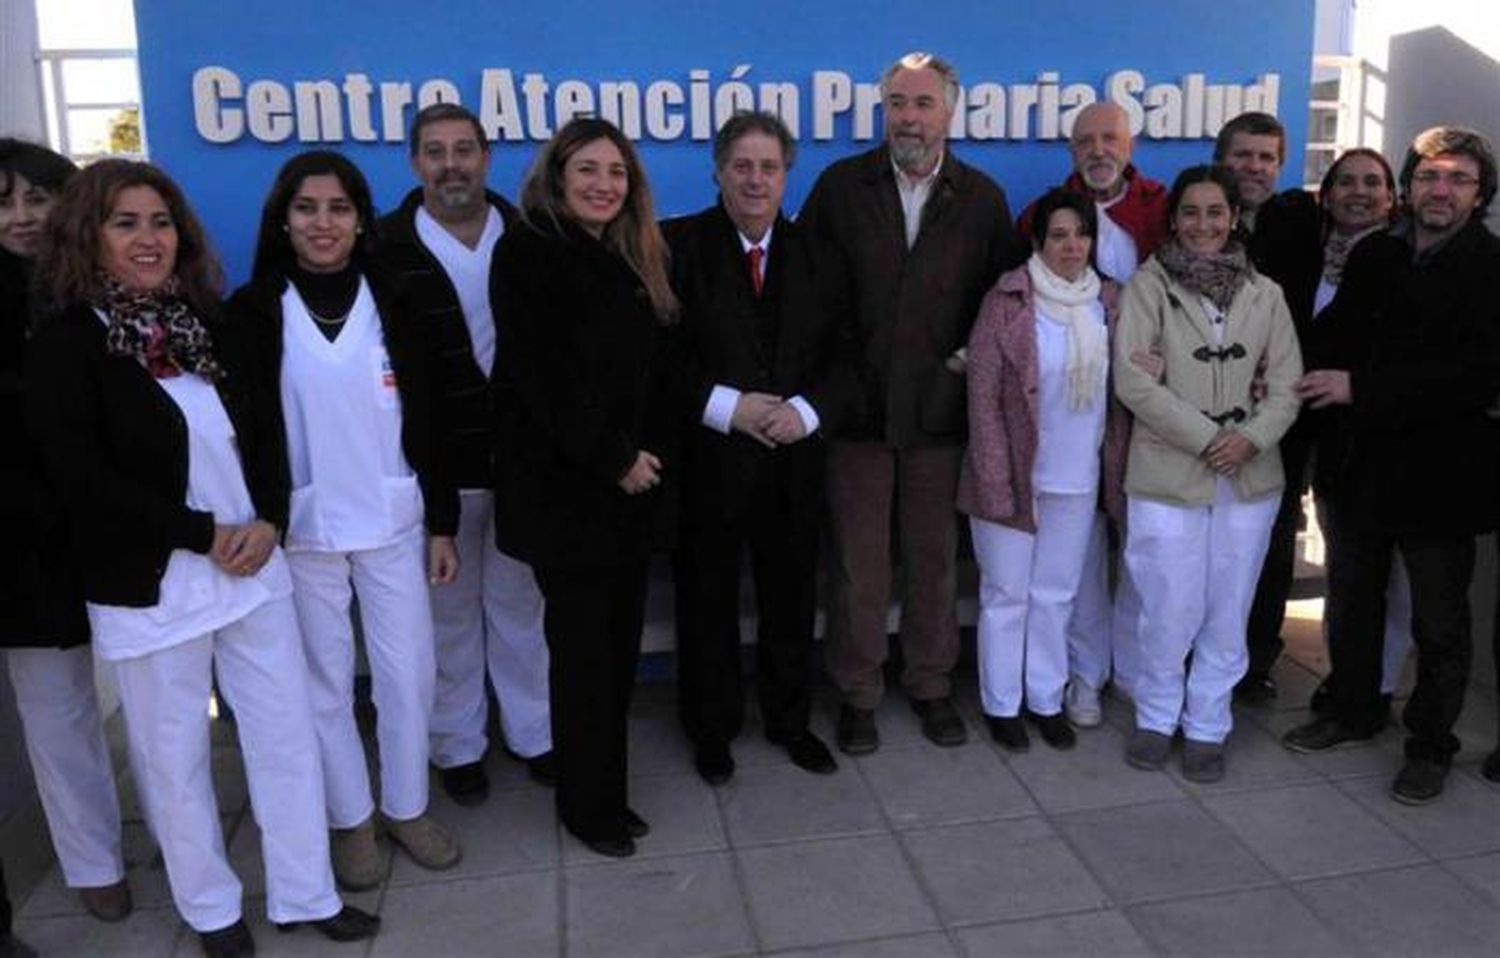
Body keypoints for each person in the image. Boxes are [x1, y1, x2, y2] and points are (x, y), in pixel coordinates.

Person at [28, 159, 377, 957]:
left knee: (286, 736)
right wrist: (200, 536)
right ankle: (213, 909)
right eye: (126, 223)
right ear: (90, 234)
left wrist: (269, 521)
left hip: (252, 570)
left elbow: (264, 439)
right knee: (173, 754)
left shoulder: (206, 322)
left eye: (160, 222)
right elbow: (82, 479)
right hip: (154, 584)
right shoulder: (67, 345)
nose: (149, 239)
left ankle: (305, 891)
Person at [227, 151, 461, 889]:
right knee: (325, 684)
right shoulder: (255, 308)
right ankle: (352, 820)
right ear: (284, 220)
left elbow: (434, 415)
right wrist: (262, 516)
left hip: (394, 517)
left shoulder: (397, 298)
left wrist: (443, 521)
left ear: (361, 219)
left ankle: (407, 806)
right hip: (303, 529)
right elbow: (242, 427)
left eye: (337, 208)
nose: (322, 223)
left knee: (409, 674)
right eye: (306, 209)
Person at [799, 52, 1015, 754]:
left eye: (922, 104)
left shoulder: (981, 197)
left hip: (937, 416)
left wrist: (962, 365)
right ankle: (857, 693)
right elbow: (808, 296)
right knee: (860, 566)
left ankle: (928, 684)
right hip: (857, 415)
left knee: (932, 562)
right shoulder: (839, 187)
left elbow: (998, 301)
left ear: (950, 112)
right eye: (897, 103)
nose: (908, 117)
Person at [1283, 127, 1500, 805]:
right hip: (1358, 468)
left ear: (1480, 193)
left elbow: (1475, 378)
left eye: (1459, 179)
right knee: (1351, 601)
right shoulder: (1377, 254)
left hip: (1442, 478)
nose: (1441, 190)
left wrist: (1361, 388)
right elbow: (1333, 337)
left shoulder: (1492, 267)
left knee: (1439, 622)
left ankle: (1431, 744)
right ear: (1409, 185)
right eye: (1431, 176)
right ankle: (1352, 709)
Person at [491, 117, 679, 858]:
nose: (603, 184)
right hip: (571, 495)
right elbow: (547, 382)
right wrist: (616, 458)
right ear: (558, 175)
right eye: (588, 170)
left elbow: (644, 373)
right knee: (582, 660)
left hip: (626, 495)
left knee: (614, 653)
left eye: (617, 173)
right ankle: (586, 806)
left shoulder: (628, 255)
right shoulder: (529, 252)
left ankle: (608, 790)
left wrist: (644, 457)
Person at [377, 103, 554, 806]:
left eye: (464, 150)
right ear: (415, 162)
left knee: (520, 607)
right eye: (435, 151)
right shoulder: (385, 249)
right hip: (435, 471)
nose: (451, 164)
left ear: (487, 155)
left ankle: (535, 734)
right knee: (446, 617)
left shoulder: (529, 235)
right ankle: (457, 745)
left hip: (518, 464)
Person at [664, 111, 845, 786]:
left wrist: (805, 410)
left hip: (794, 465)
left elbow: (847, 357)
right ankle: (711, 730)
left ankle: (790, 721)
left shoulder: (820, 257)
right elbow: (657, 359)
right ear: (717, 171)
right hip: (708, 465)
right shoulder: (672, 246)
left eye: (768, 166)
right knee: (705, 603)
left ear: (786, 175)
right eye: (742, 164)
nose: (755, 178)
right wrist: (726, 407)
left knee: (792, 600)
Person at [1113, 164, 1302, 783]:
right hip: (1171, 471)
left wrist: (1247, 438)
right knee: (1167, 604)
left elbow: (1286, 386)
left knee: (1228, 605)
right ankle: (1157, 713)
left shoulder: (1266, 294)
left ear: (1233, 217)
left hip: (1248, 478)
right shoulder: (1148, 286)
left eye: (1214, 212)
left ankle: (1208, 722)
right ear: (1174, 220)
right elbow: (1134, 381)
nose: (1203, 225)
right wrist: (1207, 436)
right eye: (1191, 213)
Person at [1, 139, 130, 924]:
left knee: (151, 696)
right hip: (23, 541)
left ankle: (180, 835)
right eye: (3, 202)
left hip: (116, 526)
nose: (21, 217)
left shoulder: (105, 285)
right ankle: (94, 865)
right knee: (57, 710)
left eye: (37, 198)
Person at [958, 188, 1129, 752]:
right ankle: (1002, 704)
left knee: (1057, 594)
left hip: (1077, 479)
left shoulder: (1108, 302)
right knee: (1007, 594)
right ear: (1038, 241)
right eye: (1059, 235)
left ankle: (1046, 699)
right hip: (1010, 476)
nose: (1072, 246)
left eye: (1081, 234)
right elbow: (981, 397)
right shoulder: (1006, 301)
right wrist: (992, 475)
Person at [1018, 102, 1169, 725]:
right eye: (1086, 140)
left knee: (1141, 549)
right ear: (1071, 148)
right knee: (1075, 559)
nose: (1098, 150)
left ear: (1130, 144)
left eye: (1110, 138)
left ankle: (1134, 674)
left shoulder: (1162, 211)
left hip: (1147, 411)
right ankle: (1085, 676)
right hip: (1070, 415)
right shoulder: (1041, 214)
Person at [1213, 112, 1323, 703]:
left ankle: (1255, 660)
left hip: (1280, 420)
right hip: (1204, 419)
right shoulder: (1195, 221)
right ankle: (1202, 653)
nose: (1253, 167)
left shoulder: (1301, 224)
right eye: (1243, 155)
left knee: (1272, 542)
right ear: (1221, 158)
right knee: (1211, 544)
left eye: (1265, 158)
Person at [1300, 148, 1414, 719]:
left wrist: (1357, 387)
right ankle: (1348, 679)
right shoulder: (1313, 257)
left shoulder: (1402, 259)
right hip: (1322, 437)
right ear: (1328, 194)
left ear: (1392, 197)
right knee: (1345, 565)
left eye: (1374, 182)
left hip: (1379, 438)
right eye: (1346, 181)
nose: (1360, 191)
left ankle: (1377, 688)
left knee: (1383, 576)